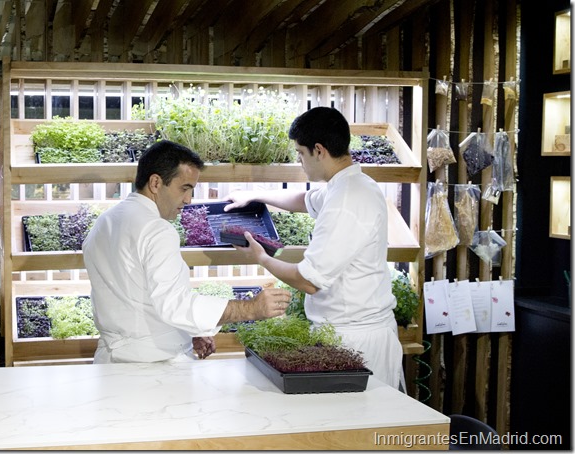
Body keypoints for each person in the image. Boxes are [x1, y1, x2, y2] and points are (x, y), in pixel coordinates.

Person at [224, 107, 405, 391]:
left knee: (359, 429)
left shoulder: (347, 200)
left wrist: (260, 257)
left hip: (356, 341)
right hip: (344, 333)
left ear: (319, 151)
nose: (299, 162)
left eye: (300, 154)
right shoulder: (347, 185)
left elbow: (308, 281)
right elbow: (304, 199)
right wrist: (254, 195)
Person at [82, 139, 292, 364]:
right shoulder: (157, 230)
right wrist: (250, 308)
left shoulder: (104, 222)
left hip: (111, 362)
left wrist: (182, 333)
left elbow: (135, 296)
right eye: (185, 188)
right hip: (151, 367)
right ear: (155, 183)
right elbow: (175, 305)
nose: (188, 200)